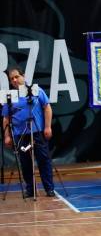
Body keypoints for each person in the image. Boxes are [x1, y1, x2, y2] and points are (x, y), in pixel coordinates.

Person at [2, 66, 55, 197]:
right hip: (20, 135)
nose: (14, 80)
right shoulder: (10, 97)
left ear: (23, 76)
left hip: (37, 132)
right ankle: (30, 190)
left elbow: (47, 107)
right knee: (25, 162)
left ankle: (49, 188)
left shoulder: (36, 91)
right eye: (11, 79)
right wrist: (7, 135)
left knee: (43, 159)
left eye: (17, 77)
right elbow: (6, 118)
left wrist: (47, 127)